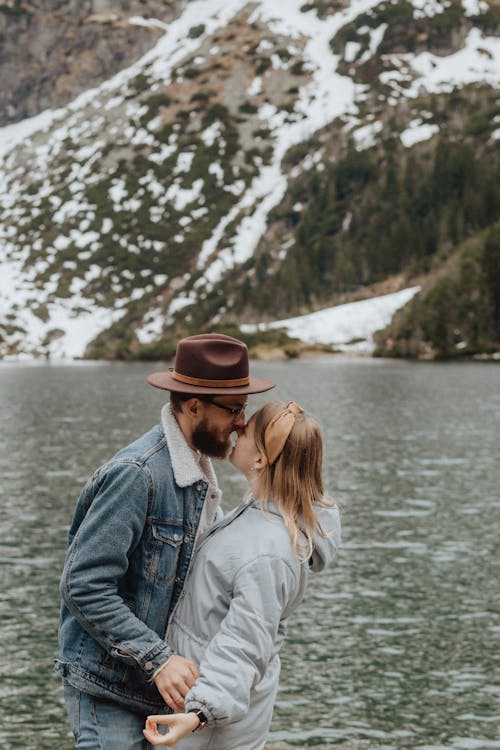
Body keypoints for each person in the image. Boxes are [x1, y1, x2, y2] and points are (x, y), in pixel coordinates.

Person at [56, 333, 276, 750]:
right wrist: (158, 659)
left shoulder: (197, 469)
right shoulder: (136, 475)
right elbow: (81, 584)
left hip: (159, 690)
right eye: (233, 409)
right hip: (109, 691)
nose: (242, 422)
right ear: (194, 406)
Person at [142, 400, 341, 749]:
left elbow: (246, 642)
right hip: (201, 699)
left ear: (262, 459)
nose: (237, 426)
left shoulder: (268, 551)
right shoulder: (259, 516)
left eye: (246, 430)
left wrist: (200, 713)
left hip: (206, 719)